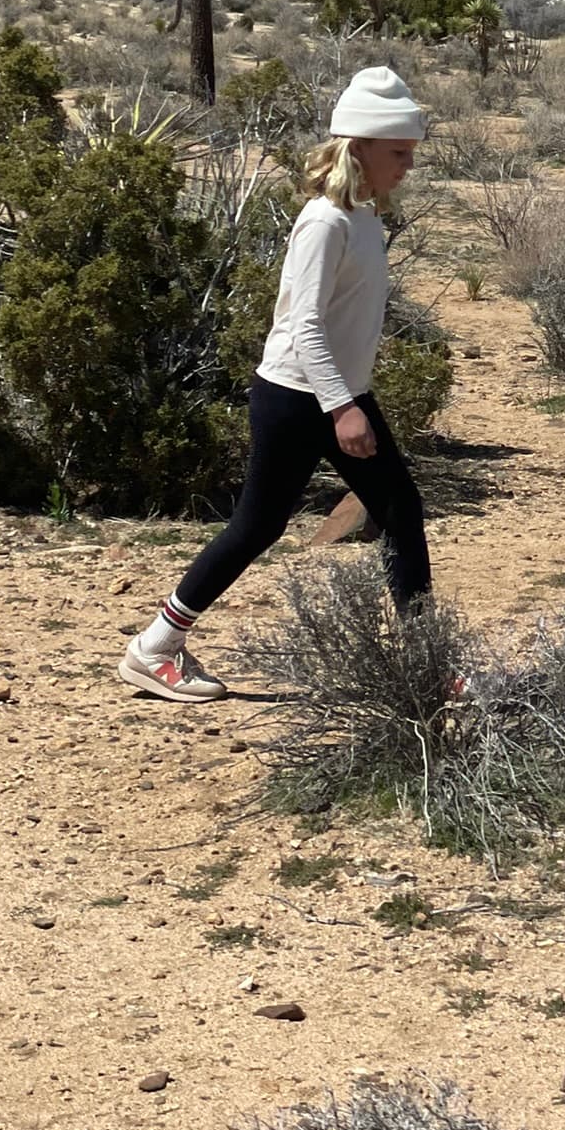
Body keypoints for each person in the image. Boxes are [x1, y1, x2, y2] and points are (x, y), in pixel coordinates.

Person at [119, 66, 432, 704]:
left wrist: (349, 396)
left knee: (401, 511)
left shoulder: (365, 218)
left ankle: (426, 662)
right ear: (360, 148)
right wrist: (344, 408)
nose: (406, 164)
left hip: (336, 393)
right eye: (397, 152)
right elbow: (302, 326)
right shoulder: (325, 222)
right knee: (257, 526)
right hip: (297, 397)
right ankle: (154, 649)